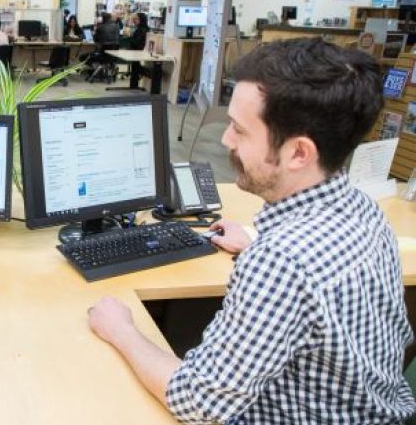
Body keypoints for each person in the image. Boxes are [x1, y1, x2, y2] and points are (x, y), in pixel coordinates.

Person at [87, 38, 416, 424]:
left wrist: (122, 330)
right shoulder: (362, 209)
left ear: (298, 153)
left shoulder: (281, 262)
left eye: (239, 130)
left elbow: (197, 403)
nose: (225, 140)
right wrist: (256, 245)